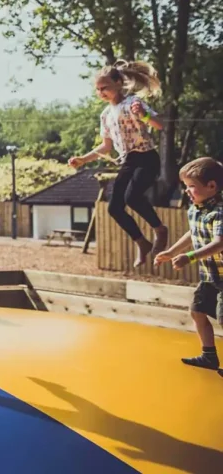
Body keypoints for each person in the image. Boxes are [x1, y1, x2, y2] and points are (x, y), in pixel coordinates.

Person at [69, 60, 168, 267]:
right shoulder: (105, 115)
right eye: (98, 89)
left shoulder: (133, 102)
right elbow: (106, 146)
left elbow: (159, 125)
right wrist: (83, 159)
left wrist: (143, 115)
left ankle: (159, 229)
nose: (101, 92)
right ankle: (142, 243)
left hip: (146, 158)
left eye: (104, 87)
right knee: (114, 208)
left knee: (132, 197)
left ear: (118, 83)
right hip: (128, 162)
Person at [154, 157, 223, 377]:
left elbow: (219, 243)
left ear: (211, 186)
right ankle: (209, 355)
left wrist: (190, 257)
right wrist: (172, 251)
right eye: (185, 185)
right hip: (210, 276)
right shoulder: (195, 209)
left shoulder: (219, 212)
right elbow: (192, 233)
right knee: (197, 311)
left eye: (191, 186)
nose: (186, 191)